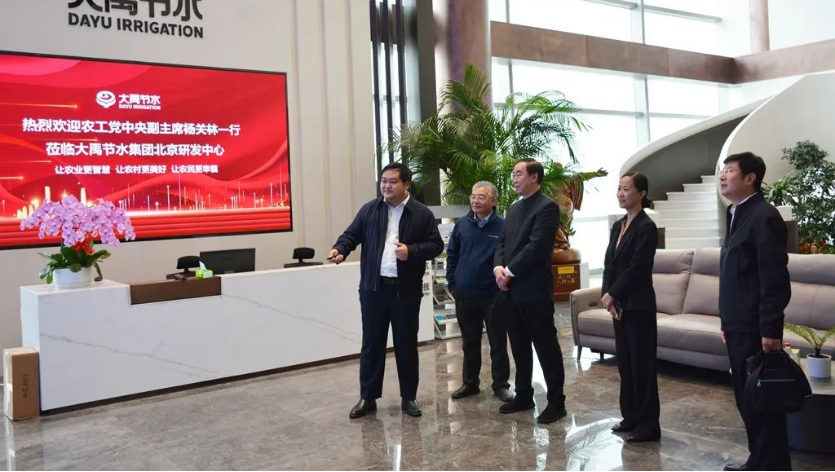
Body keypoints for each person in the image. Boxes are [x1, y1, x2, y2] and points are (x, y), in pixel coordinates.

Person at [329, 163, 444, 419]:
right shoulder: (370, 209)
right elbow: (351, 235)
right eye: (383, 181)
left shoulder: (421, 213)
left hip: (405, 292)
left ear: (406, 185)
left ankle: (409, 397)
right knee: (372, 344)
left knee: (406, 345)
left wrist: (411, 251)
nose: (386, 186)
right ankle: (367, 397)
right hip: (373, 289)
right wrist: (340, 249)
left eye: (392, 181)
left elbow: (436, 244)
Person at [719, 152, 792, 471]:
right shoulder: (735, 212)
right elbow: (734, 274)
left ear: (750, 178)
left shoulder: (764, 216)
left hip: (755, 327)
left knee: (763, 400)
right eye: (722, 171)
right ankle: (759, 461)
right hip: (736, 323)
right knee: (746, 399)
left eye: (730, 171)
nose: (723, 176)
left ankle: (770, 465)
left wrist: (770, 331)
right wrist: (726, 321)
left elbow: (773, 279)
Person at [493, 158, 566, 424]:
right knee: (519, 345)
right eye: (513, 174)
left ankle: (556, 402)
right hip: (510, 290)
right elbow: (502, 242)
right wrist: (498, 269)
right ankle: (524, 394)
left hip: (534, 290)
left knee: (545, 346)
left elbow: (537, 247)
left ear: (534, 177)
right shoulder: (513, 208)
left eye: (518, 174)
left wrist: (509, 271)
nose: (514, 178)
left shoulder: (547, 207)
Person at [602, 173, 660, 443]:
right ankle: (630, 417)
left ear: (642, 193)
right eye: (619, 189)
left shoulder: (647, 227)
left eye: (626, 189)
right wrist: (607, 295)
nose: (621, 193)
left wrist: (613, 293)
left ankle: (648, 426)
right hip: (620, 306)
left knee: (642, 367)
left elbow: (637, 268)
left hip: (639, 306)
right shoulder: (618, 225)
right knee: (625, 365)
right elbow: (609, 264)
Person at [446, 181, 513, 403]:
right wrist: (453, 285)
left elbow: (509, 257)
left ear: (493, 201)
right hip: (465, 294)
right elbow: (452, 255)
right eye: (473, 197)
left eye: (481, 197)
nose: (475, 201)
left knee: (497, 343)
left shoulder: (503, 226)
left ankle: (501, 385)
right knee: (469, 342)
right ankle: (470, 383)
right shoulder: (462, 225)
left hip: (494, 295)